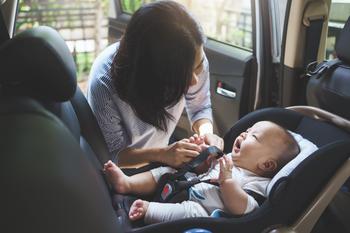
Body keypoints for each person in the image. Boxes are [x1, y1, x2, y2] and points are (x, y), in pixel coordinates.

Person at [87, 0, 223, 169]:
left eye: (199, 66)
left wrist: (206, 134)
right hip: (126, 169)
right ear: (152, 71)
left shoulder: (192, 58)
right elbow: (114, 154)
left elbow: (200, 107)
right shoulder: (104, 85)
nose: (194, 80)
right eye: (181, 75)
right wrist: (163, 155)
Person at [103, 121, 300, 224]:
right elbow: (203, 170)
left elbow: (243, 208)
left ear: (266, 165)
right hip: (190, 185)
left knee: (190, 212)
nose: (243, 134)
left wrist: (227, 181)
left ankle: (149, 210)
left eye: (253, 136)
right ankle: (127, 183)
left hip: (203, 209)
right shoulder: (231, 158)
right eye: (247, 130)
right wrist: (202, 158)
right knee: (168, 171)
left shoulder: (257, 184)